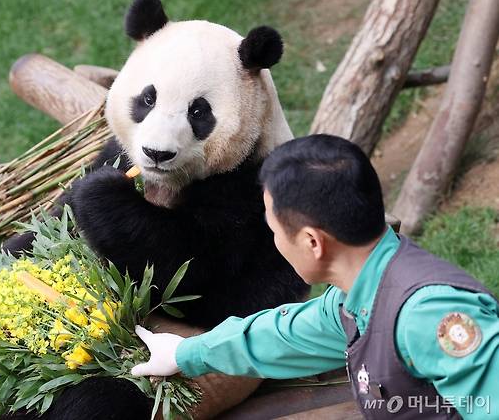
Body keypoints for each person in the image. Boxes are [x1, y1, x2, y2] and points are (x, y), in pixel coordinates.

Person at [131, 135, 498, 419]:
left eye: (274, 230)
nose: (274, 242)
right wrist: (185, 352)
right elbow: (283, 336)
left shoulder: (430, 315)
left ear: (312, 242)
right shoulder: (357, 296)